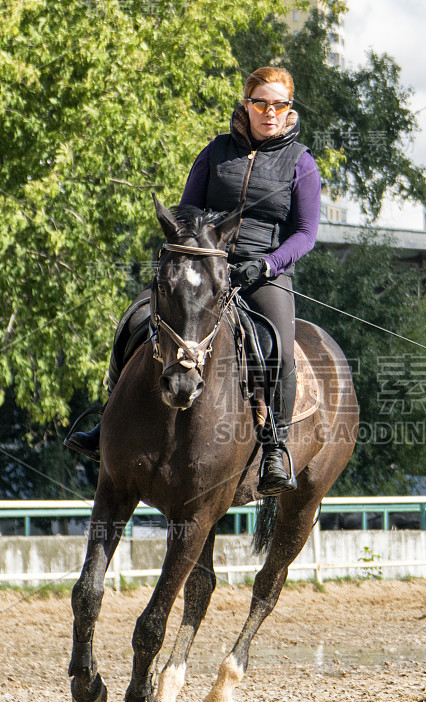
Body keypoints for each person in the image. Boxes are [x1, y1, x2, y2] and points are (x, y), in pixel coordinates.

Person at [66, 66, 321, 497]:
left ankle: (275, 449)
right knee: (136, 318)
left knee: (278, 346)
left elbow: (306, 233)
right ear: (247, 105)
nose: (270, 112)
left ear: (289, 110)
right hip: (203, 267)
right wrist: (192, 250)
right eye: (261, 103)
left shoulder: (302, 164)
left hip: (263, 272)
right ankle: (108, 417)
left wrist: (266, 265)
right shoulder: (215, 152)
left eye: (279, 105)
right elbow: (186, 212)